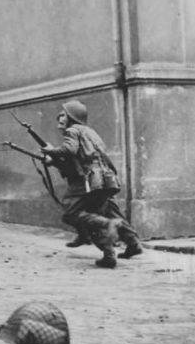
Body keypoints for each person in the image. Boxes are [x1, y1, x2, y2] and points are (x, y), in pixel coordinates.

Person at [40, 100, 142, 268]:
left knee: (77, 215)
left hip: (89, 180)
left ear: (72, 117)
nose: (59, 117)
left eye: (64, 114)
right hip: (105, 178)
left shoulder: (72, 131)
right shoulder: (90, 131)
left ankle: (107, 239)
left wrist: (51, 152)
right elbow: (81, 156)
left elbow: (69, 152)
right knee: (109, 212)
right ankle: (130, 244)